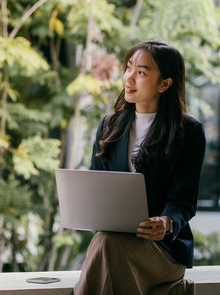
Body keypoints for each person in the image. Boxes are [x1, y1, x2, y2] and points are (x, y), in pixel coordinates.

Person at [74, 40, 206, 295]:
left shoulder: (188, 131)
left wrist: (165, 223)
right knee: (106, 241)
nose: (129, 78)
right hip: (115, 240)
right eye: (128, 68)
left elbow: (184, 200)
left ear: (165, 84)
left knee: (106, 245)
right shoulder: (109, 125)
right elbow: (96, 185)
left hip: (164, 249)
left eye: (142, 72)